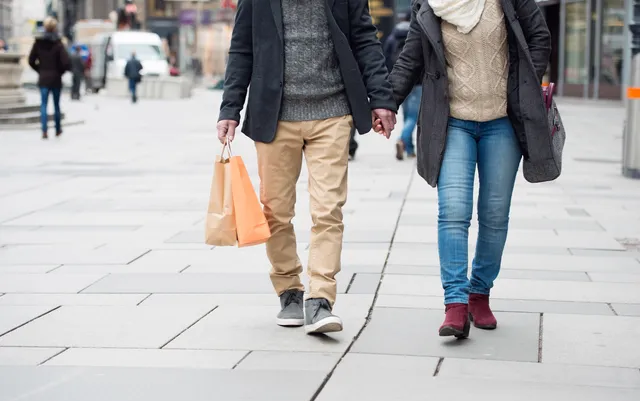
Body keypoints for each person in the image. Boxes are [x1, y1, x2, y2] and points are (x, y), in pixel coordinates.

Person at [217, 0, 397, 334]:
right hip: (275, 116)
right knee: (275, 211)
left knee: (328, 209)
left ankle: (320, 299)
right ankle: (289, 291)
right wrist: (230, 108)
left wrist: (382, 98)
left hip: (333, 111)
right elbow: (242, 49)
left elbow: (364, 39)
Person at [381, 0, 552, 338]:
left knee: (494, 213)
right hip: (452, 123)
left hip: (502, 122)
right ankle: (455, 303)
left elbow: (539, 37)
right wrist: (387, 103)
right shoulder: (429, 5)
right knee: (454, 211)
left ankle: (479, 292)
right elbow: (410, 59)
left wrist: (525, 87)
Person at [384, 12, 420, 161]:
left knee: (407, 116)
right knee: (414, 116)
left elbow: (385, 59)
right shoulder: (418, 34)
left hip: (400, 81)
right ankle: (402, 139)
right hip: (418, 83)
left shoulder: (392, 37)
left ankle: (409, 149)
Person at [28, 17, 70, 139]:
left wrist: (39, 70)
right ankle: (57, 129)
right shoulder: (58, 43)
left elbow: (31, 60)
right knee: (56, 105)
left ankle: (44, 131)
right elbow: (66, 62)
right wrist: (59, 72)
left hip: (44, 78)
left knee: (43, 105)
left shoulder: (38, 42)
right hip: (56, 78)